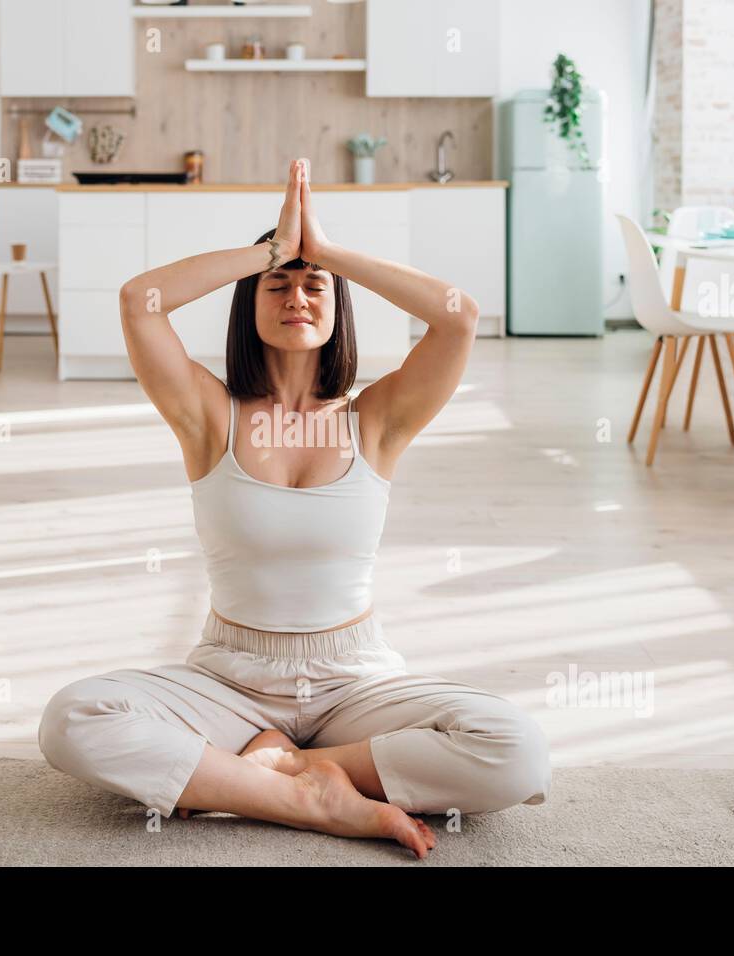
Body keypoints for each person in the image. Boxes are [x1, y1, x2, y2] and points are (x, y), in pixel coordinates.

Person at [39, 159, 549, 859]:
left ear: (339, 308)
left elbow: (457, 316)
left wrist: (327, 251)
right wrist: (269, 252)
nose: (298, 296)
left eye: (316, 289)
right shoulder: (208, 414)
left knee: (516, 750)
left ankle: (293, 765)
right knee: (73, 718)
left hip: (356, 682)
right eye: (278, 286)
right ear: (248, 305)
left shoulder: (376, 419)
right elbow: (140, 301)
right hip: (230, 680)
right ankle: (309, 799)